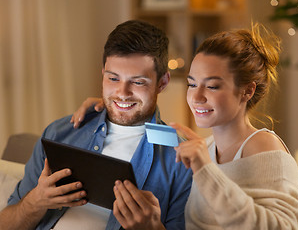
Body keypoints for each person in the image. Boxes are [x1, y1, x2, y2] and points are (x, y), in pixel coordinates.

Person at [71, 22, 298, 229]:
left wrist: (205, 169)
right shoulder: (199, 144)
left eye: (212, 86)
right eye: (192, 84)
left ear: (247, 90)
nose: (197, 97)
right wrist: (110, 106)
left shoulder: (263, 145)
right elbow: (138, 129)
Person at [0, 20, 193, 230]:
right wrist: (35, 202)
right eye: (113, 78)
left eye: (138, 82)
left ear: (162, 83)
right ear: (103, 74)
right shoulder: (60, 132)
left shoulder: (180, 160)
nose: (122, 92)